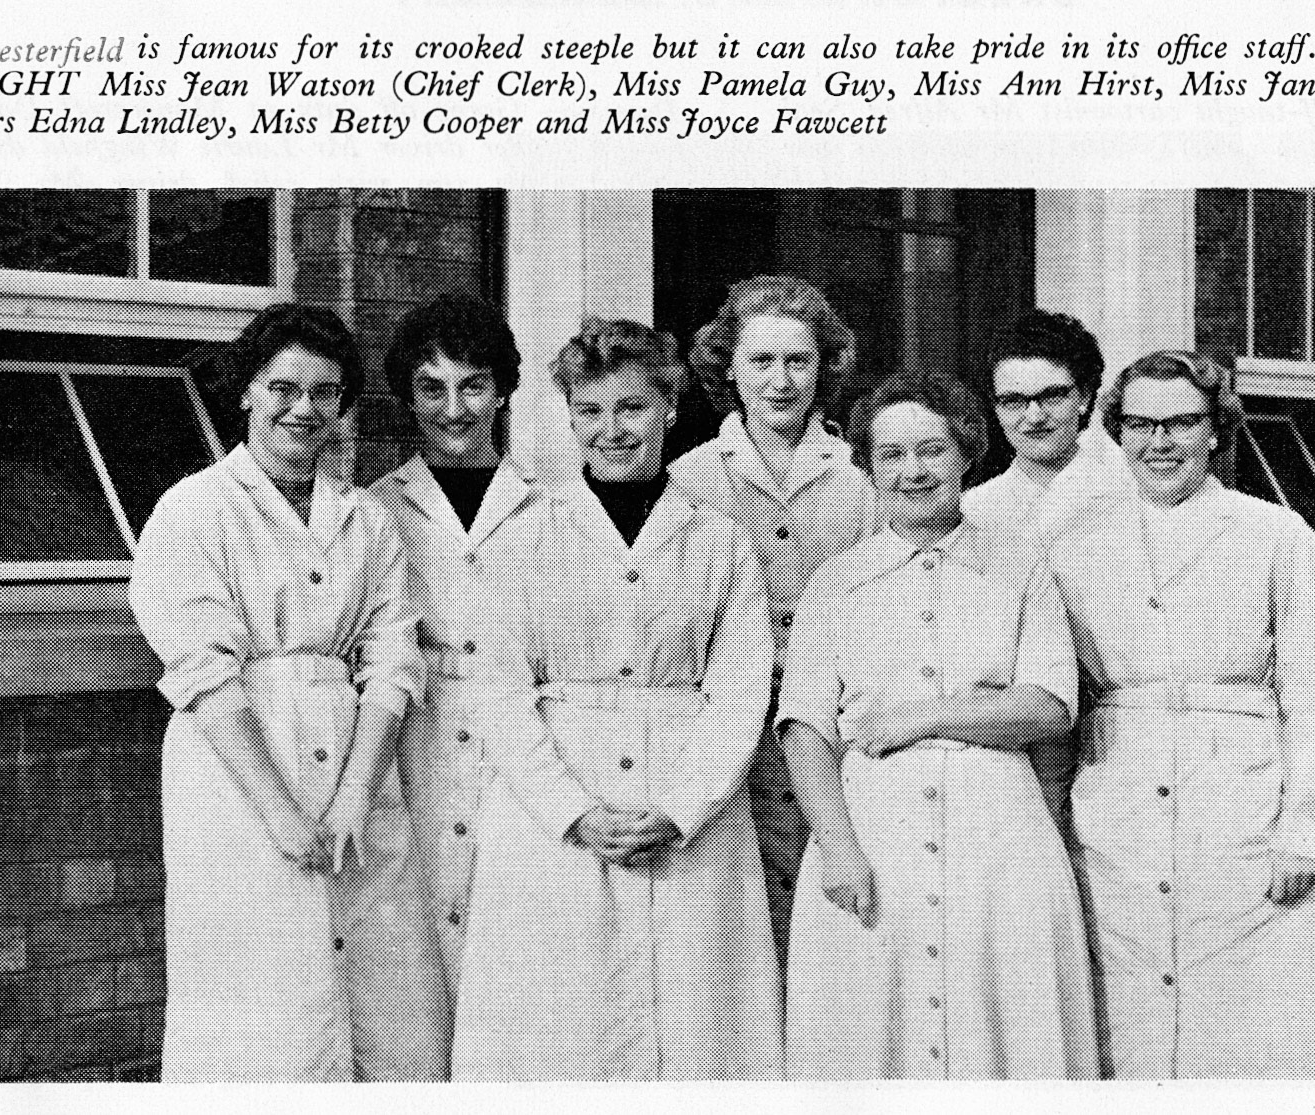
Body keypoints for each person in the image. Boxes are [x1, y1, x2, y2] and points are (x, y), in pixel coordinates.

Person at [452, 318, 781, 1080]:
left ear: (669, 408)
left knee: (699, 1027)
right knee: (559, 1029)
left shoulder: (719, 540)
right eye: (590, 410)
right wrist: (573, 810)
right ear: (568, 416)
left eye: (631, 408)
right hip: (556, 819)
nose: (611, 430)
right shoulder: (522, 537)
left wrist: (679, 806)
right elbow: (499, 695)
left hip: (686, 813)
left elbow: (739, 691)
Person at [1048, 350, 1315, 1078]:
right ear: (1117, 431)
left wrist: (1306, 826)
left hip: (1242, 803)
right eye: (1140, 423)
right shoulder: (1071, 540)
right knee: (1131, 1020)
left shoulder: (1275, 534)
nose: (1159, 441)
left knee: (1256, 1022)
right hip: (1118, 803)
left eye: (1181, 422)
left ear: (1216, 430)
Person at [777, 369, 1098, 1080]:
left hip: (1000, 839)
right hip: (872, 832)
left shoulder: (1020, 565)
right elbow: (804, 728)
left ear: (965, 455)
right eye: (891, 455)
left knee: (1005, 1029)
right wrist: (838, 850)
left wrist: (918, 717)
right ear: (867, 467)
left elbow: (1048, 704)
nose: (913, 470)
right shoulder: (837, 580)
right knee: (870, 1029)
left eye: (932, 449)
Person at [130, 304, 422, 1081]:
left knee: (380, 1010)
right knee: (259, 1012)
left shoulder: (365, 519)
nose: (303, 409)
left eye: (324, 392)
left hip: (352, 771)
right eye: (282, 387)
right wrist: (279, 808)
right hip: (241, 778)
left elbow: (391, 657)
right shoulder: (194, 509)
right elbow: (203, 672)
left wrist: (357, 790)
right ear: (246, 393)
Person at [671, 275, 877, 968]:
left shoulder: (863, 478)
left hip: (838, 738)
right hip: (728, 738)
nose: (781, 381)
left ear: (826, 366)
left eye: (799, 361)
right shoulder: (690, 481)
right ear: (728, 366)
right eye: (761, 361)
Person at [363, 291, 541, 1079]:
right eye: (432, 388)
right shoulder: (372, 509)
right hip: (417, 746)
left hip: (519, 751)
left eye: (473, 385)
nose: (455, 408)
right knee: (416, 952)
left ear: (503, 388)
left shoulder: (549, 507)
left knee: (516, 948)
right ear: (408, 394)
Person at [960, 310, 1131, 833]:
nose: (1032, 416)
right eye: (1013, 401)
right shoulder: (973, 511)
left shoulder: (1138, 496)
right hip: (1006, 744)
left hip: (1119, 741)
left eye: (1051, 396)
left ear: (1085, 398)